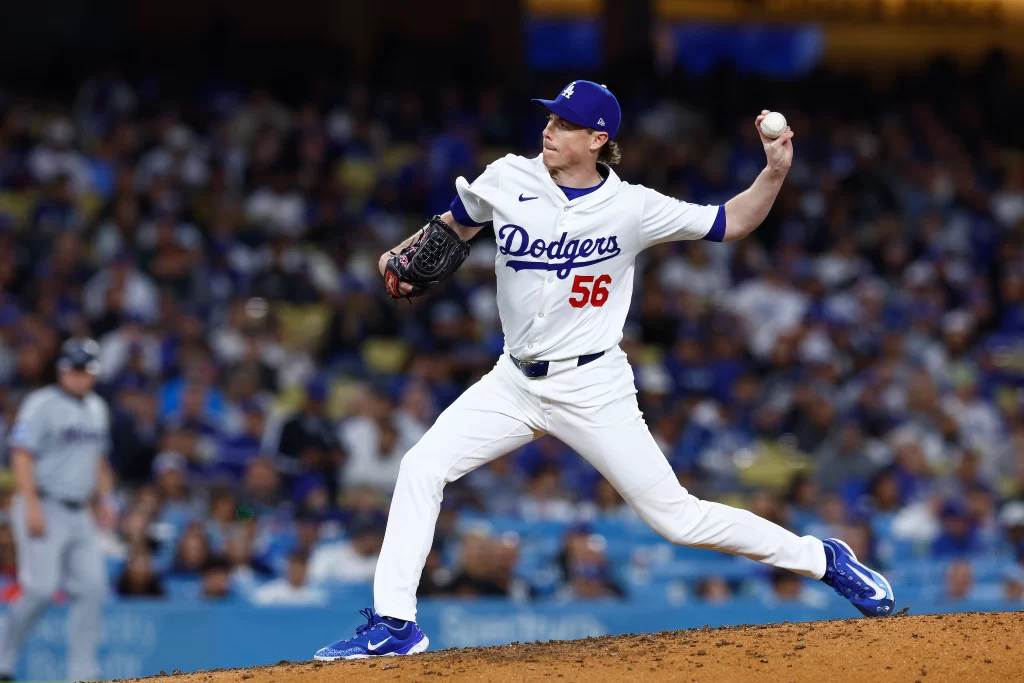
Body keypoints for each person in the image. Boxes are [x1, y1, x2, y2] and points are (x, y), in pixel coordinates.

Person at [314, 81, 895, 661]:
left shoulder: (632, 208)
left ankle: (823, 558)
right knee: (421, 466)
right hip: (513, 381)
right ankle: (395, 625)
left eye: (565, 124)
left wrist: (773, 173)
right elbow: (454, 226)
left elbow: (731, 222)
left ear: (598, 139)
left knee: (679, 520)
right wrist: (400, 255)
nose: (549, 129)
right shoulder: (508, 176)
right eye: (549, 119)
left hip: (592, 385)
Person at [0, 338, 117, 681]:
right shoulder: (41, 403)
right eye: (76, 369)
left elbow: (99, 460)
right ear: (63, 370)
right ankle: (2, 659)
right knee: (40, 589)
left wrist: (106, 500)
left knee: (93, 586)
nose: (81, 376)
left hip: (80, 511)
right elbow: (21, 454)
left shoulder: (98, 407)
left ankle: (82, 672)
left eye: (87, 370)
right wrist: (31, 504)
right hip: (44, 505)